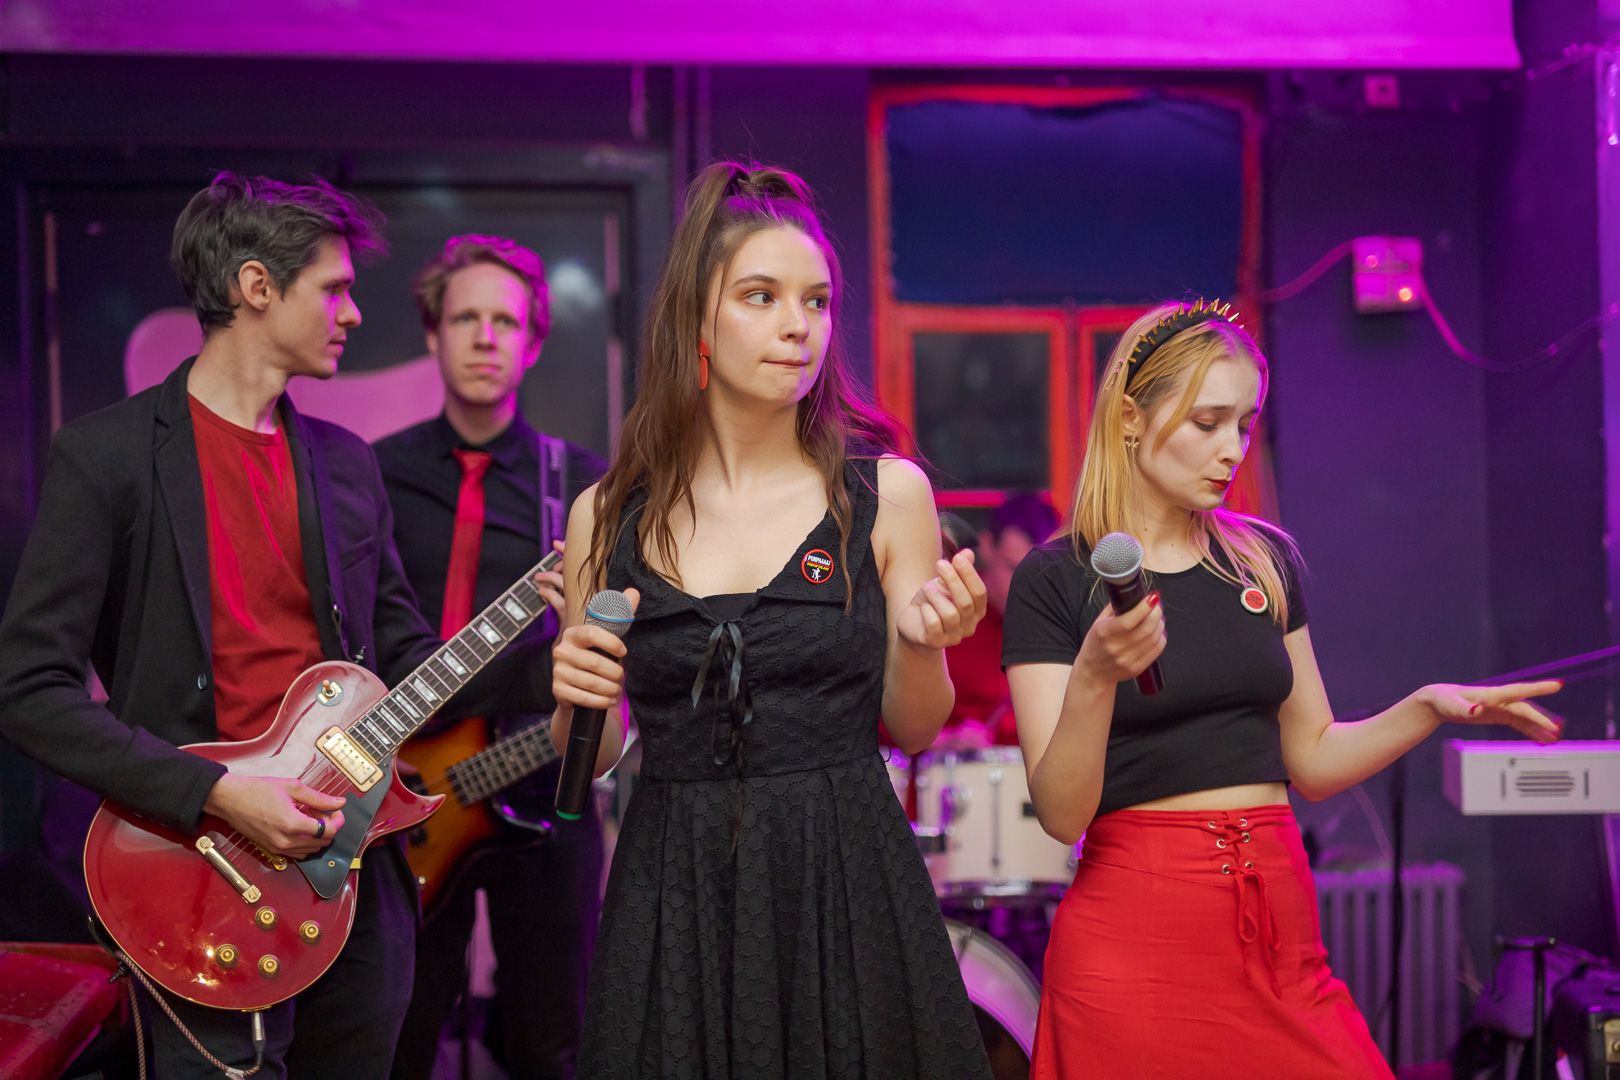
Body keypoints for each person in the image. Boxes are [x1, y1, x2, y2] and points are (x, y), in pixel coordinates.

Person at [0, 173, 554, 1079]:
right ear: (257, 286)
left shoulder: (345, 465)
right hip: (198, 871)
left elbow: (405, 657)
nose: (354, 314)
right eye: (334, 289)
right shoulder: (106, 458)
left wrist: (549, 665)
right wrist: (215, 792)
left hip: (352, 872)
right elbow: (27, 691)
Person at [1002, 299, 1563, 1078]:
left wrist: (1427, 707)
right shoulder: (1055, 579)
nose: (1231, 450)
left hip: (1276, 927)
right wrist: (1096, 675)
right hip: (1134, 937)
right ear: (1130, 419)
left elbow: (1315, 760)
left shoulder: (1262, 562)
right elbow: (1064, 815)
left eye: (1244, 424)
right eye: (1207, 422)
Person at [547, 161, 996, 1078]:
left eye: (817, 302)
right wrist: (572, 692)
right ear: (697, 319)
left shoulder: (886, 495)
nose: (800, 327)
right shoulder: (608, 513)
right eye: (762, 297)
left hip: (843, 876)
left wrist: (923, 646)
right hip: (676, 887)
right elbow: (588, 759)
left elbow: (915, 727)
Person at [374, 234, 604, 1080]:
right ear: (432, 335)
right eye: (464, 318)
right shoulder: (372, 474)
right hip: (400, 792)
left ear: (532, 342)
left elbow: (615, 644)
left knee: (552, 1046)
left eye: (504, 322)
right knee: (397, 1040)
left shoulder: (581, 484)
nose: (483, 337)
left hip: (536, 783)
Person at [938, 492, 1058, 748]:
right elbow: (888, 724)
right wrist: (946, 741)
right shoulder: (946, 609)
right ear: (987, 545)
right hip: (946, 768)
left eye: (1038, 572)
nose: (1025, 586)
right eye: (1013, 567)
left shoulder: (1056, 622)